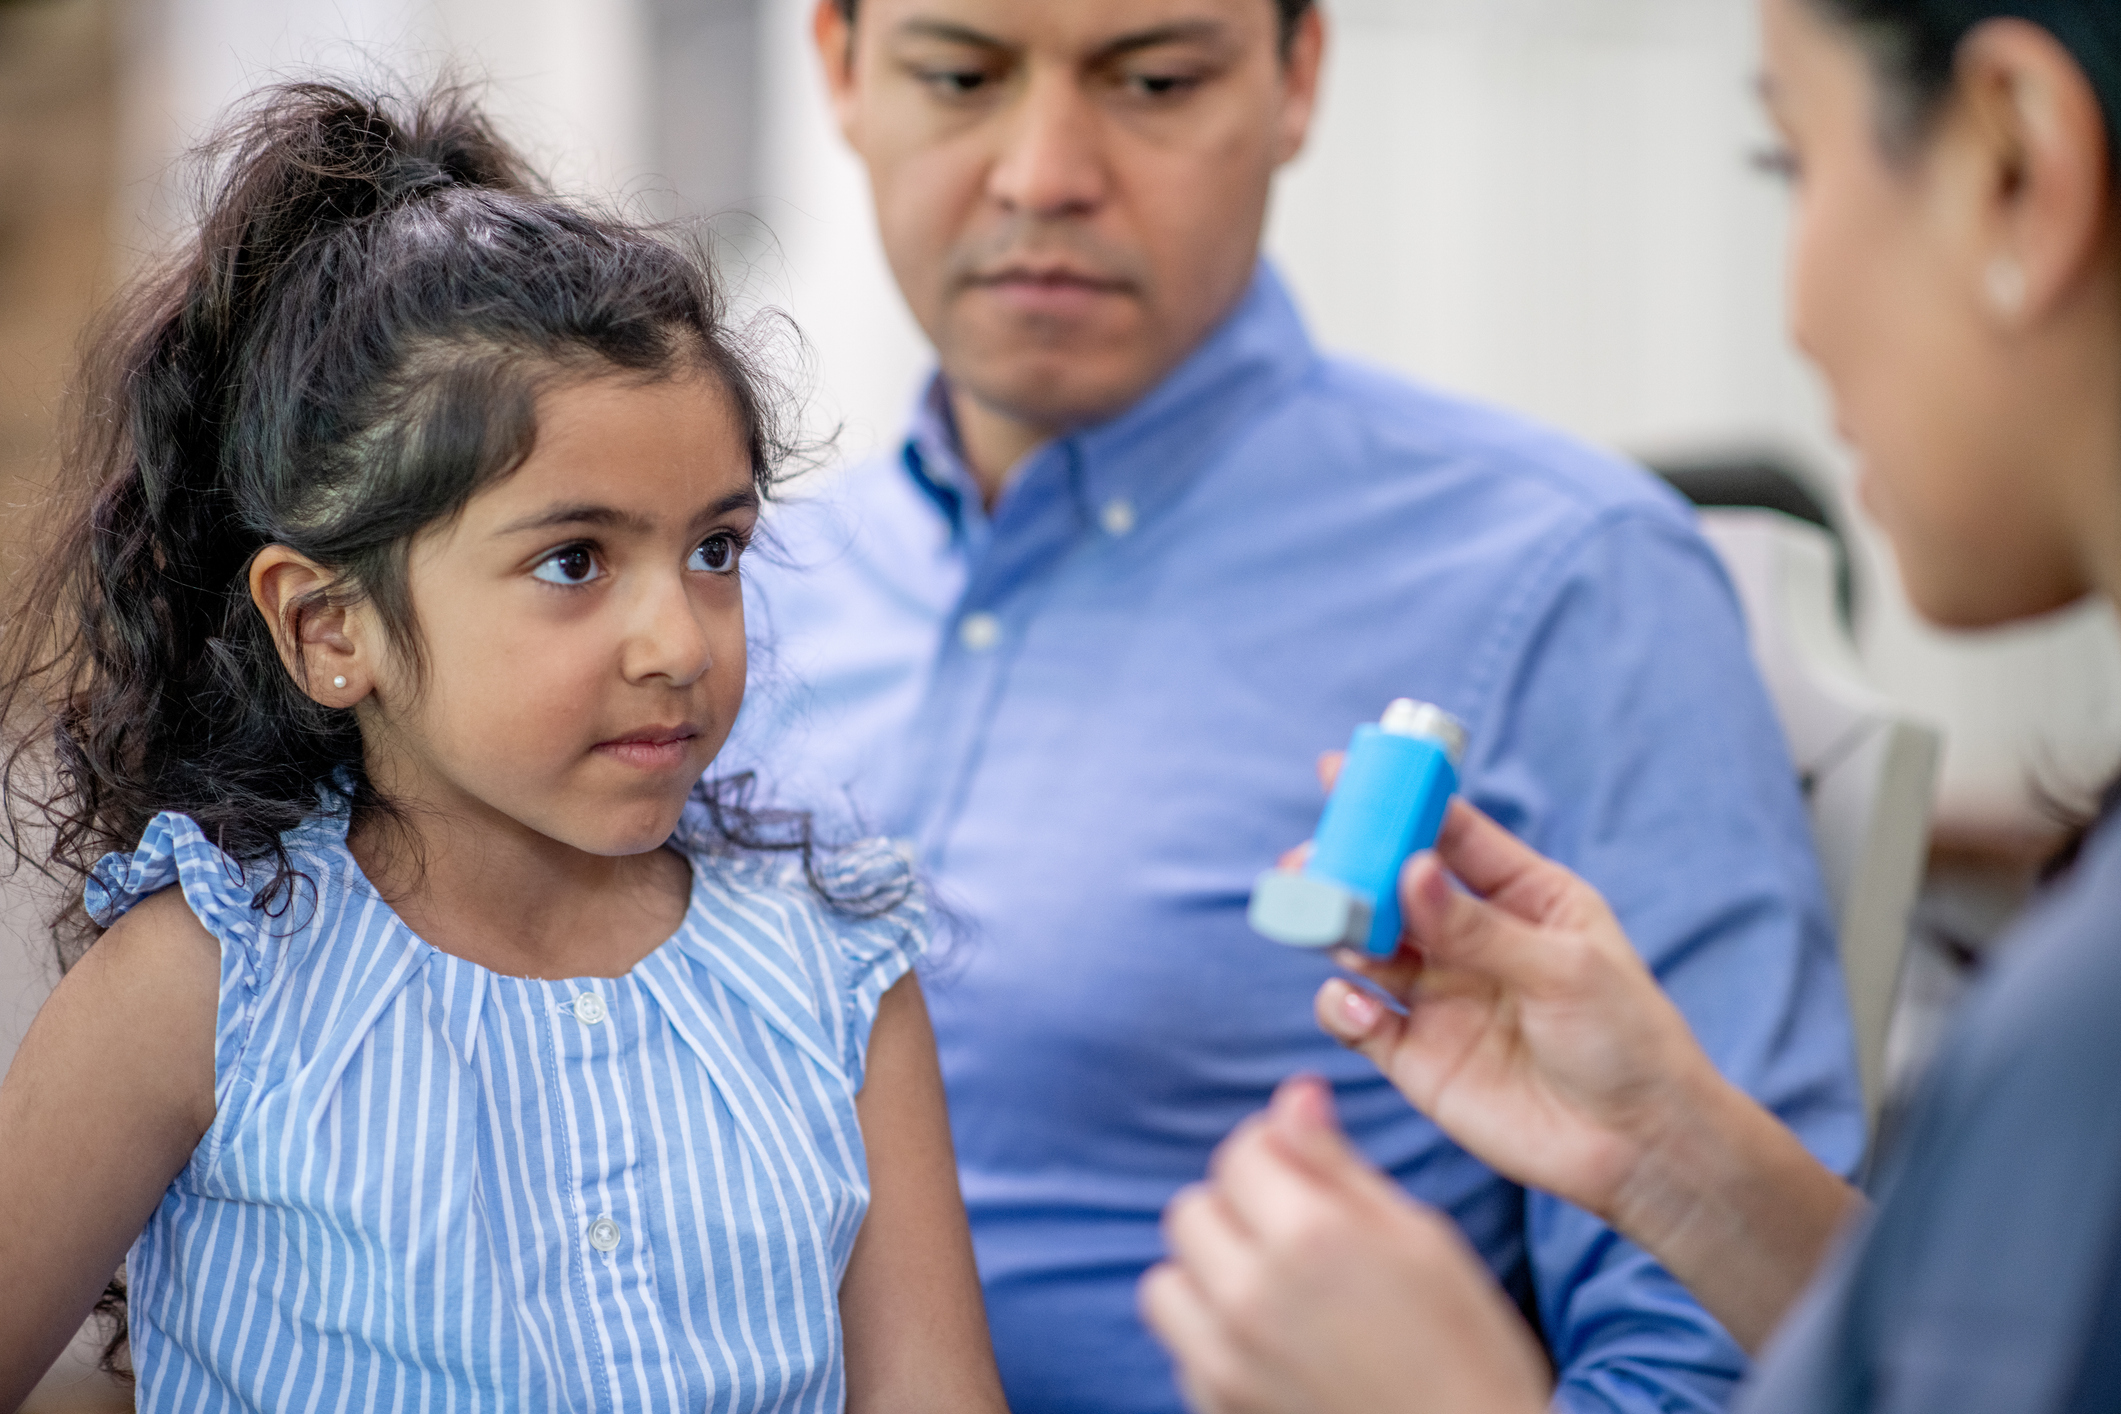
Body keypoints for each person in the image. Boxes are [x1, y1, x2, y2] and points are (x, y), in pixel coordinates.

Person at [725, 1, 1867, 1409]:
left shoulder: (1564, 578)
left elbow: (1731, 1369)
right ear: (838, 67)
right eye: (959, 76)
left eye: (1152, 81)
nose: (1041, 172)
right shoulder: (725, 595)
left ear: (1297, 75)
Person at [1140, 0, 2121, 1410]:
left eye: (1788, 162)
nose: (1790, 309)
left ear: (2018, 167)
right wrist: (1668, 1148)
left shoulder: (2084, 1031)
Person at [0, 82, 1008, 1413]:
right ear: (327, 623)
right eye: (575, 560)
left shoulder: (835, 974)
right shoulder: (205, 985)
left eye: (714, 548)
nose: (679, 640)